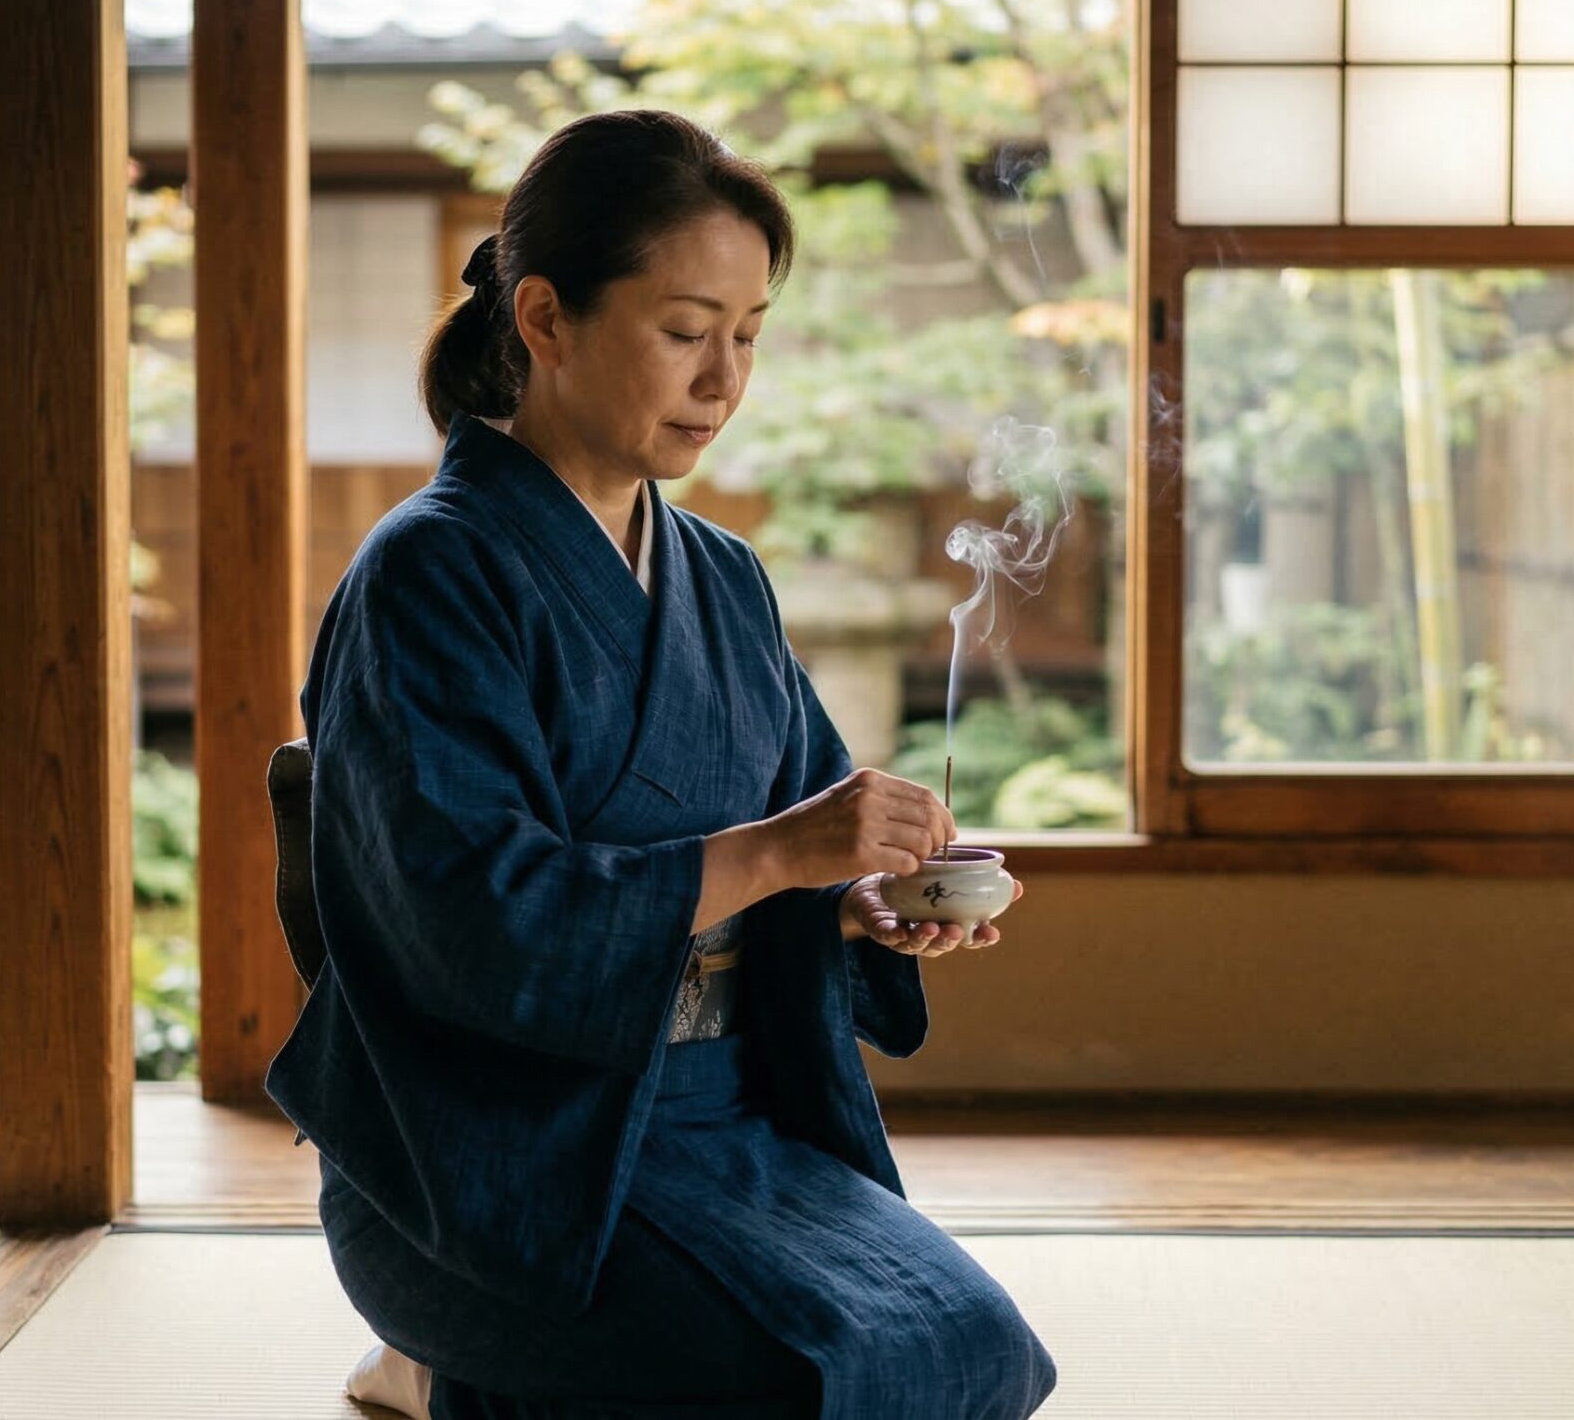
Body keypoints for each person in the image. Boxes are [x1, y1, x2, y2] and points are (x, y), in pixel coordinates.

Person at [264, 108, 1057, 1420]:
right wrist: (786, 851)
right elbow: (472, 924)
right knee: (782, 1387)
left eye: (748, 335)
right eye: (687, 330)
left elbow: (798, 849)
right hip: (501, 1157)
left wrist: (860, 900)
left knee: (977, 1350)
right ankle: (439, 1355)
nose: (723, 378)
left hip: (718, 1120)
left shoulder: (724, 579)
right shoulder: (428, 573)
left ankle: (470, 1380)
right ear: (545, 317)